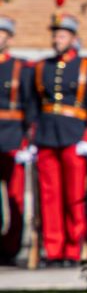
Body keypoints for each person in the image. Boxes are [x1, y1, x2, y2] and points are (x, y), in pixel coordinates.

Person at [25, 7, 87, 266]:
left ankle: (73, 248)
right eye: (55, 35)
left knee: (75, 196)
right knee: (49, 196)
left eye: (62, 35)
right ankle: (53, 248)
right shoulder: (41, 67)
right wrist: (31, 139)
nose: (57, 39)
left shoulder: (85, 67)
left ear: (72, 38)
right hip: (47, 135)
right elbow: (34, 105)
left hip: (74, 136)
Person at [0, 17, 29, 263]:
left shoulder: (21, 67)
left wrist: (28, 141)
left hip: (12, 137)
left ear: (9, 38)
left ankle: (12, 247)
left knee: (15, 197)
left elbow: (30, 106)